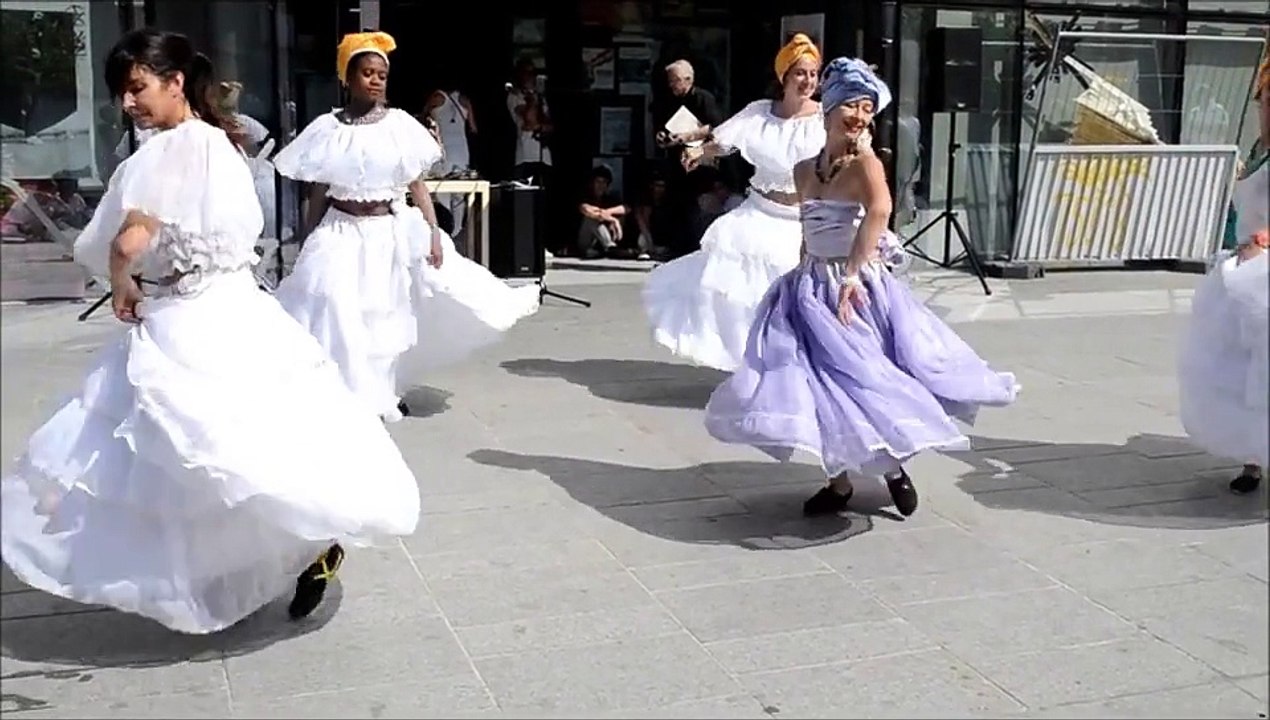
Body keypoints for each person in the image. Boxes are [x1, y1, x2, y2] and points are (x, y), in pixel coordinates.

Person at [0, 28, 421, 634]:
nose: (127, 102)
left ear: (175, 83)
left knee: (182, 451)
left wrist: (122, 280)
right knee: (246, 445)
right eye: (122, 91)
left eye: (137, 88)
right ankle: (302, 544)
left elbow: (131, 238)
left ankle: (254, 558)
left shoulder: (170, 149)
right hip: (238, 308)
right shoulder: (222, 141)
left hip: (186, 318)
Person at [703, 57, 1019, 519]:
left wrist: (852, 275)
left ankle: (893, 470)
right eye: (852, 105)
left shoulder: (868, 166)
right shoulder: (803, 170)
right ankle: (838, 481)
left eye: (868, 108)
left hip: (854, 289)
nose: (860, 116)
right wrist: (799, 275)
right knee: (813, 385)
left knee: (865, 379)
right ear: (828, 110)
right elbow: (808, 228)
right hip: (808, 287)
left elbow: (879, 213)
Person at [273, 32, 539, 422]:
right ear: (348, 78)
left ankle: (383, 390)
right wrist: (307, 236)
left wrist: (432, 231)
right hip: (340, 230)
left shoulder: (398, 125)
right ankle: (344, 387)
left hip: (386, 231)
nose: (376, 80)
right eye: (367, 73)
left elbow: (417, 184)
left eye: (381, 74)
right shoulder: (328, 128)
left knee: (385, 312)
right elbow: (317, 190)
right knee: (336, 307)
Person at [642, 34, 827, 372]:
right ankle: (751, 360)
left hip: (801, 221)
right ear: (784, 75)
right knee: (742, 295)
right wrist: (698, 151)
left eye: (813, 73)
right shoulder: (759, 113)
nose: (808, 81)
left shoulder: (823, 119)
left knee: (798, 297)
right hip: (759, 214)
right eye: (800, 72)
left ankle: (792, 365)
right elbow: (724, 140)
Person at [1178, 52, 1269, 497]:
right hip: (1245, 272)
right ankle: (1252, 458)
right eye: (1264, 100)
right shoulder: (1259, 150)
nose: (1267, 108)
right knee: (1240, 369)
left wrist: (1266, 239)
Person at [425, 82, 478, 237]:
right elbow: (473, 128)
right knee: (459, 197)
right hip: (462, 153)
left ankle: (444, 234)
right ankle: (457, 233)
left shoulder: (435, 97)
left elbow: (422, 120)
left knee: (442, 194)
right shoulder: (464, 100)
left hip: (443, 152)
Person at [576, 165, 628, 259]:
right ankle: (610, 247)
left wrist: (608, 212)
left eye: (604, 182)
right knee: (591, 218)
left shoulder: (610, 198)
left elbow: (626, 208)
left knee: (620, 215)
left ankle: (611, 247)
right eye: (598, 182)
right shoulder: (586, 196)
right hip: (586, 242)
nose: (601, 185)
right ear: (592, 183)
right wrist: (612, 220)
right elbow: (587, 210)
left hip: (600, 243)